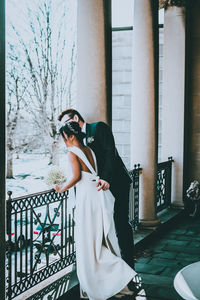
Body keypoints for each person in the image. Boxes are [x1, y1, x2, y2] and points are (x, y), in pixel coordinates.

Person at [54, 121, 141, 300]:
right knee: (98, 239)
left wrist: (61, 188)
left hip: (87, 199)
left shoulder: (72, 152)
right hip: (97, 195)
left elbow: (77, 176)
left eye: (64, 137)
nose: (64, 141)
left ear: (70, 136)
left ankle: (115, 274)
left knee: (88, 241)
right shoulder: (90, 150)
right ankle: (114, 276)